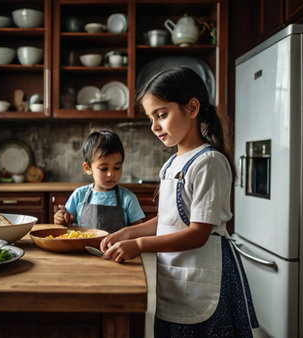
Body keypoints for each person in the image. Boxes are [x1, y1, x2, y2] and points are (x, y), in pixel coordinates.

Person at [100, 67, 259, 337]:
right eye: (151, 118)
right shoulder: (172, 163)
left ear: (192, 107)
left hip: (204, 280)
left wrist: (139, 245)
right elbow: (170, 220)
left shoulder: (209, 162)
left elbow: (198, 233)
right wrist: (127, 233)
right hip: (176, 280)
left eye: (162, 114)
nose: (154, 126)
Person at [54, 129, 145, 233]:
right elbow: (66, 224)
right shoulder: (79, 195)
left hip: (114, 249)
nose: (111, 174)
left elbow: (139, 232)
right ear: (88, 168)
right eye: (104, 168)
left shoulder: (128, 199)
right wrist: (61, 219)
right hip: (81, 249)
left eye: (117, 167)